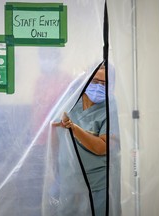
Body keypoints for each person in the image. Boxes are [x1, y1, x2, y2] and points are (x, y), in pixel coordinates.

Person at [53, 64, 107, 216]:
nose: (98, 87)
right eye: (95, 81)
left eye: (104, 84)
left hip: (96, 181)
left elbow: (102, 147)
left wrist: (73, 127)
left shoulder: (108, 109)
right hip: (67, 176)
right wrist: (53, 167)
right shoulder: (70, 101)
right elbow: (54, 133)